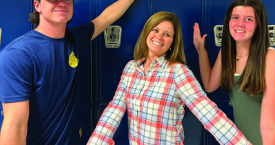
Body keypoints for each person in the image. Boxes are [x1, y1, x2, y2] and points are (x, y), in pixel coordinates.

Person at [0, 0, 158, 145]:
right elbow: (15, 125)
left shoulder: (74, 38)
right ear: (38, 6)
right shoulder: (17, 55)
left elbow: (106, 18)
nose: (62, 3)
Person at [87, 11, 251, 145]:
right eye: (156, 30)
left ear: (172, 43)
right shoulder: (131, 68)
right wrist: (95, 141)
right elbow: (114, 109)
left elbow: (209, 114)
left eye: (167, 34)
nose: (159, 37)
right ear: (147, 33)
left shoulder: (178, 72)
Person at [193, 0, 275, 145]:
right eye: (235, 17)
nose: (240, 24)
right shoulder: (226, 53)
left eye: (249, 19)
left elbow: (270, 125)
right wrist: (201, 51)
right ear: (228, 22)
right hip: (245, 140)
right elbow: (210, 85)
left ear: (258, 25)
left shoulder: (270, 58)